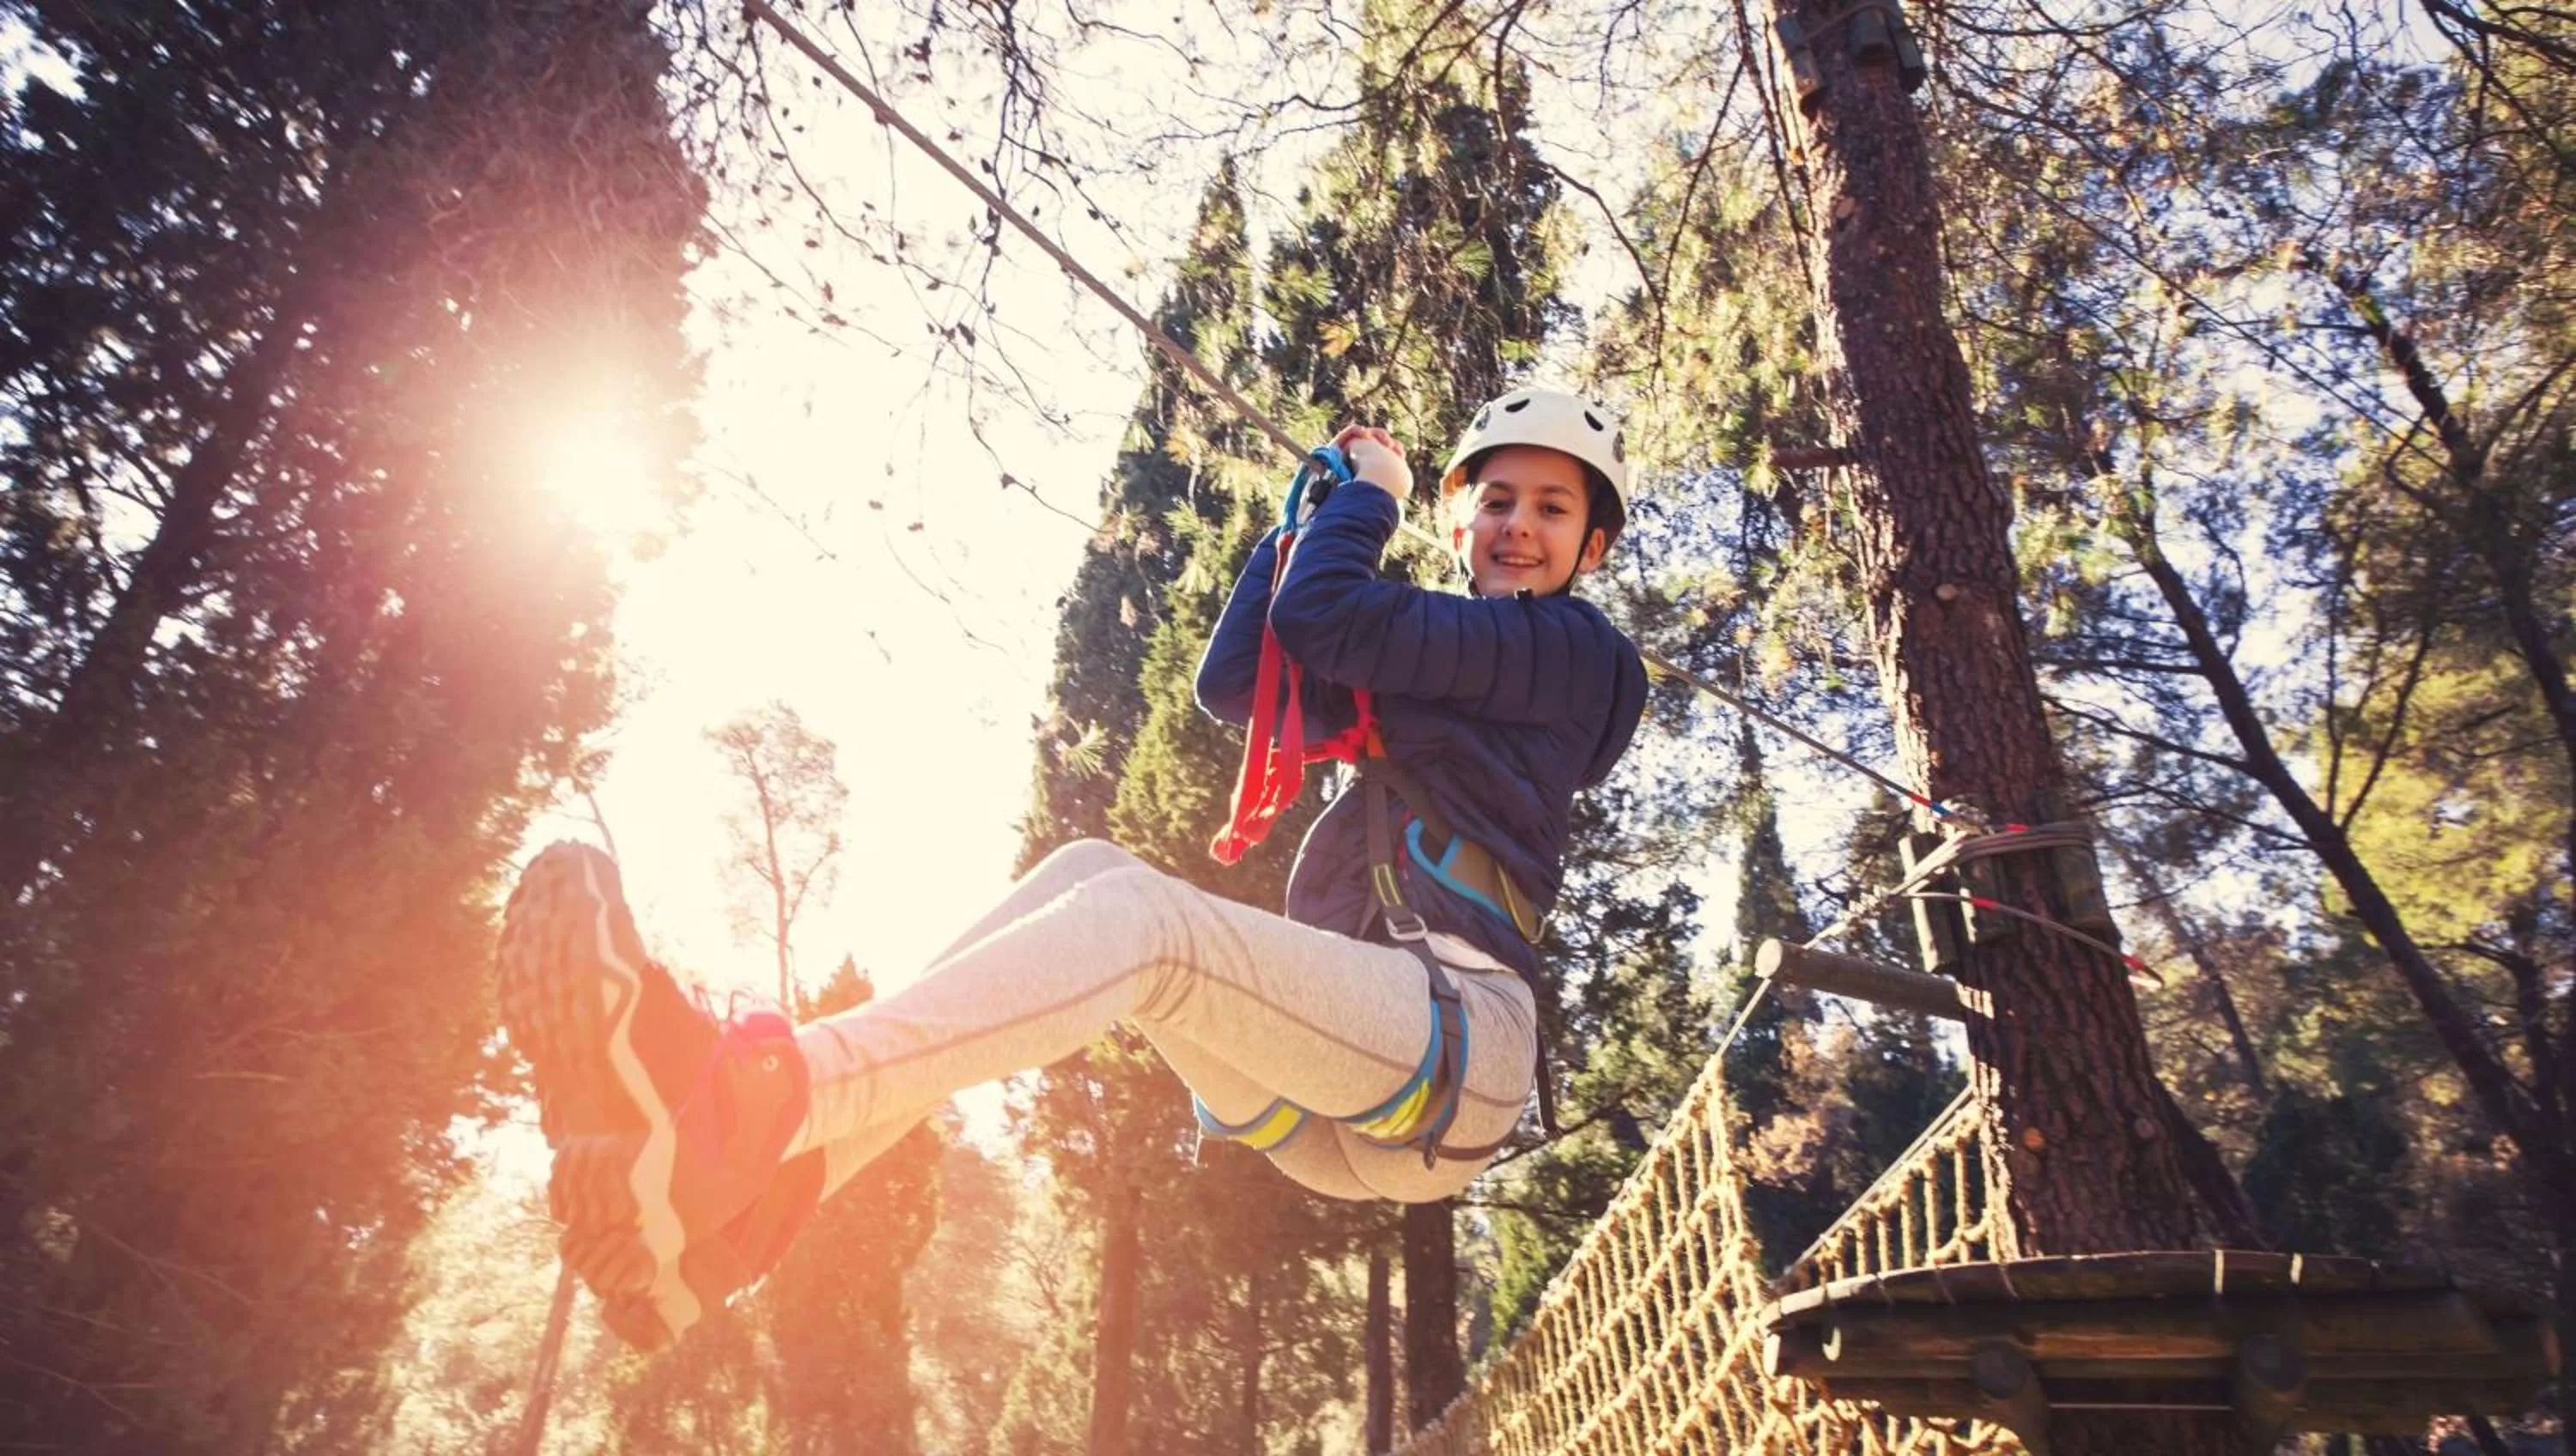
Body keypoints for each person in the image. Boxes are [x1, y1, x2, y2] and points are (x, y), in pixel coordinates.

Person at [497, 386, 1650, 1348]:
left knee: (1153, 930)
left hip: (1458, 1045)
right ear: (1464, 525)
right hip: (1338, 1088)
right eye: (1496, 498)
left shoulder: (1574, 655)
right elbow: (1241, 681)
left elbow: (1337, 623)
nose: (1517, 525)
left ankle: (742, 1110)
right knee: (1089, 864)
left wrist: (1374, 497)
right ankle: (738, 1220)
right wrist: (1297, 528)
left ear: (1591, 549)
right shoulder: (1447, 663)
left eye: (1552, 509)